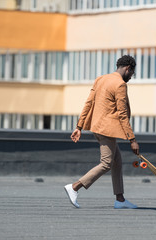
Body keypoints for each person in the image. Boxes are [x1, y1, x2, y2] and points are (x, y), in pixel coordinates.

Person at [64, 55, 140, 209]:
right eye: (132, 73)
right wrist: (132, 139)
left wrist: (79, 127)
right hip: (107, 130)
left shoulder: (101, 79)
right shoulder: (120, 85)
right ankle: (74, 187)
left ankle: (120, 199)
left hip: (96, 127)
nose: (131, 77)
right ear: (128, 68)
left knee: (116, 161)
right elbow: (122, 114)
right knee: (106, 163)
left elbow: (89, 103)